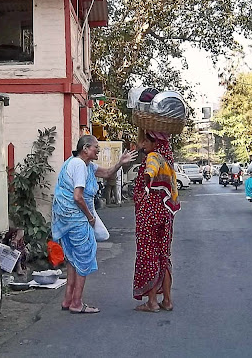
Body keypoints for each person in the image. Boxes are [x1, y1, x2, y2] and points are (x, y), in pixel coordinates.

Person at [52, 135, 137, 314]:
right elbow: (77, 197)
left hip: (67, 219)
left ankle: (68, 299)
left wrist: (120, 162)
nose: (98, 150)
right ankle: (77, 303)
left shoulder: (82, 165)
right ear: (85, 149)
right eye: (96, 147)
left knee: (73, 258)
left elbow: (107, 173)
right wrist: (90, 217)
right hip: (77, 220)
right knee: (84, 258)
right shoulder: (80, 166)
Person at [133, 129, 180, 313]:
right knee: (164, 255)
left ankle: (152, 302)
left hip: (149, 213)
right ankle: (167, 300)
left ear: (155, 143)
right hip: (166, 212)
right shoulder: (168, 159)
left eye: (145, 141)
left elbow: (150, 171)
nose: (142, 145)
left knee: (148, 254)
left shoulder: (153, 157)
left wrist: (146, 180)